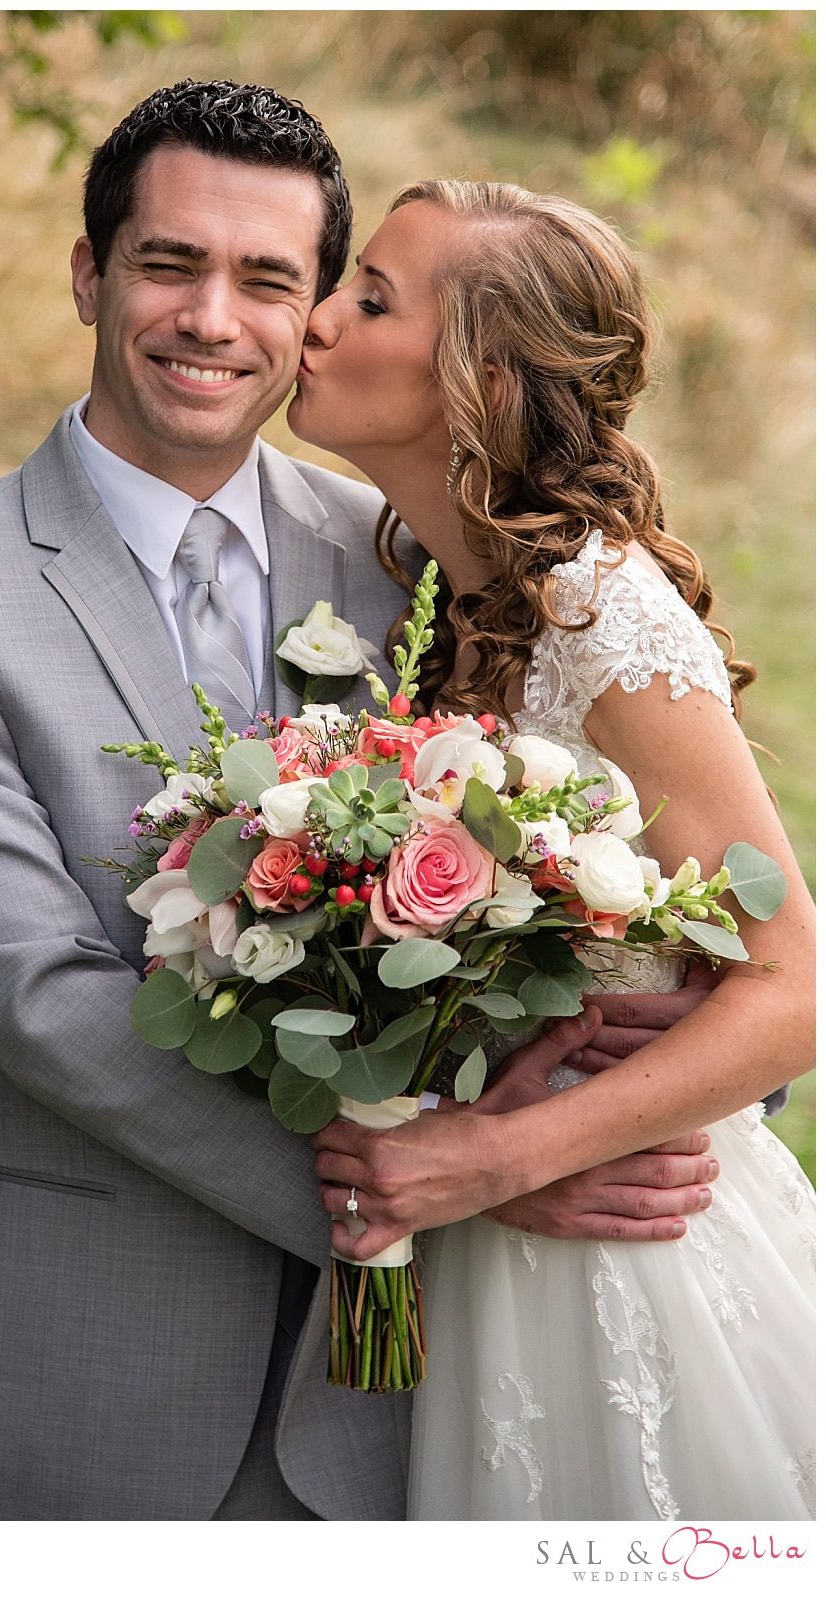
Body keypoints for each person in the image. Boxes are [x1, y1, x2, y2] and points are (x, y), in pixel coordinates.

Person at [0, 79, 721, 1520]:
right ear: (87, 271)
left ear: (311, 316)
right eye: (168, 264)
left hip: (414, 1400)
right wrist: (440, 1190)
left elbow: (644, 866)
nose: (210, 320)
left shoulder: (412, 550)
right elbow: (42, 998)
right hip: (76, 1359)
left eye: (268, 279)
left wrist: (624, 1089)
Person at [292, 180, 815, 1518]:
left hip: (623, 1243)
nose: (314, 318)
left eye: (370, 297)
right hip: (474, 1237)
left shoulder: (598, 605)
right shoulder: (436, 596)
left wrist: (498, 1160)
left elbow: (791, 985)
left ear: (487, 379)